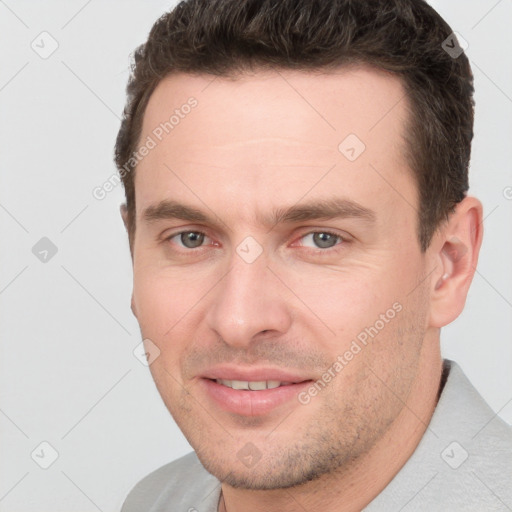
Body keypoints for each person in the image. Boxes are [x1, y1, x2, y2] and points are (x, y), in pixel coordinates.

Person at [114, 0, 512, 510]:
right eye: (190, 237)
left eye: (322, 239)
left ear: (448, 265)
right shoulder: (153, 501)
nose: (239, 319)